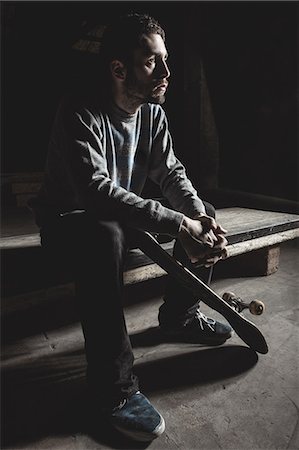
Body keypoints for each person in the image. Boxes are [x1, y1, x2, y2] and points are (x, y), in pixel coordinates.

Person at [29, 13, 232, 443]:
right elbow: (96, 193)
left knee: (202, 209)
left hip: (119, 218)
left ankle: (180, 315)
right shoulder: (81, 108)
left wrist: (199, 219)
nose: (166, 72)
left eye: (166, 60)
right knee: (105, 232)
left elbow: (171, 172)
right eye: (151, 62)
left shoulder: (152, 115)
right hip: (70, 224)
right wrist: (179, 224)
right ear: (119, 69)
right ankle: (113, 392)